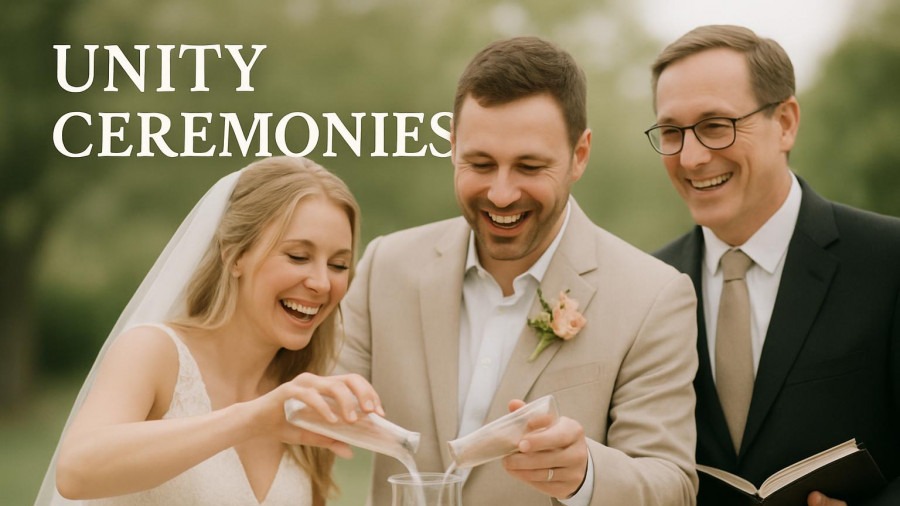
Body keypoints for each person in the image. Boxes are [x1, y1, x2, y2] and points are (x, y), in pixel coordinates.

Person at [338, 36, 699, 505]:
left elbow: (672, 487)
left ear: (580, 155)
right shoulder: (386, 265)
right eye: (480, 163)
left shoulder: (654, 296)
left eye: (529, 166)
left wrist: (585, 475)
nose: (502, 194)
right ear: (452, 146)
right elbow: (306, 415)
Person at [35, 156, 383, 506]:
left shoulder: (306, 393)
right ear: (234, 255)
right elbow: (76, 471)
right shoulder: (153, 352)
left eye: (338, 265)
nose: (322, 283)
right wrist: (252, 419)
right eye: (297, 256)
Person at [647, 25, 900, 506]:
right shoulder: (647, 286)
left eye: (715, 125)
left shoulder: (890, 261)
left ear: (785, 122)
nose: (691, 157)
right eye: (672, 132)